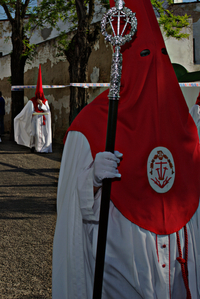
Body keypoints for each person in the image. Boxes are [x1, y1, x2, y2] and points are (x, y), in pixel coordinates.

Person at [53, 0, 200, 298]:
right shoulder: (91, 126)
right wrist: (91, 181)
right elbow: (69, 210)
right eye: (145, 55)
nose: (154, 65)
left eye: (160, 54)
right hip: (119, 264)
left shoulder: (183, 124)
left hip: (178, 262)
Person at [14, 65, 52, 153]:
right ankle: (33, 147)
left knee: (43, 135)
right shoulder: (31, 101)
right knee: (34, 134)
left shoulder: (45, 101)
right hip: (35, 120)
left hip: (43, 121)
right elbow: (26, 111)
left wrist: (41, 104)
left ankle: (43, 148)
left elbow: (47, 111)